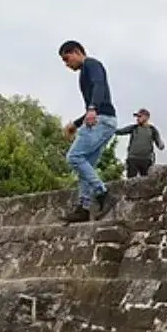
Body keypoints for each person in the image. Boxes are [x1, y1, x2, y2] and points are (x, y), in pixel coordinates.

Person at [58, 40, 118, 222]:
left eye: (67, 59)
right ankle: (84, 209)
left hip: (101, 119)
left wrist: (92, 109)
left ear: (76, 52)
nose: (66, 64)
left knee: (74, 157)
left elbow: (99, 85)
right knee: (86, 167)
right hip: (104, 119)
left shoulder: (91, 65)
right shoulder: (84, 72)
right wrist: (76, 124)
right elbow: (97, 100)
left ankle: (103, 194)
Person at [115, 108, 165, 178]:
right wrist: (109, 128)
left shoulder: (152, 129)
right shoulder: (134, 128)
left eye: (139, 116)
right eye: (137, 117)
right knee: (131, 180)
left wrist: (161, 145)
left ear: (146, 117)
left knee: (146, 182)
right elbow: (120, 131)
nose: (137, 119)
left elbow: (158, 141)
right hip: (133, 159)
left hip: (146, 159)